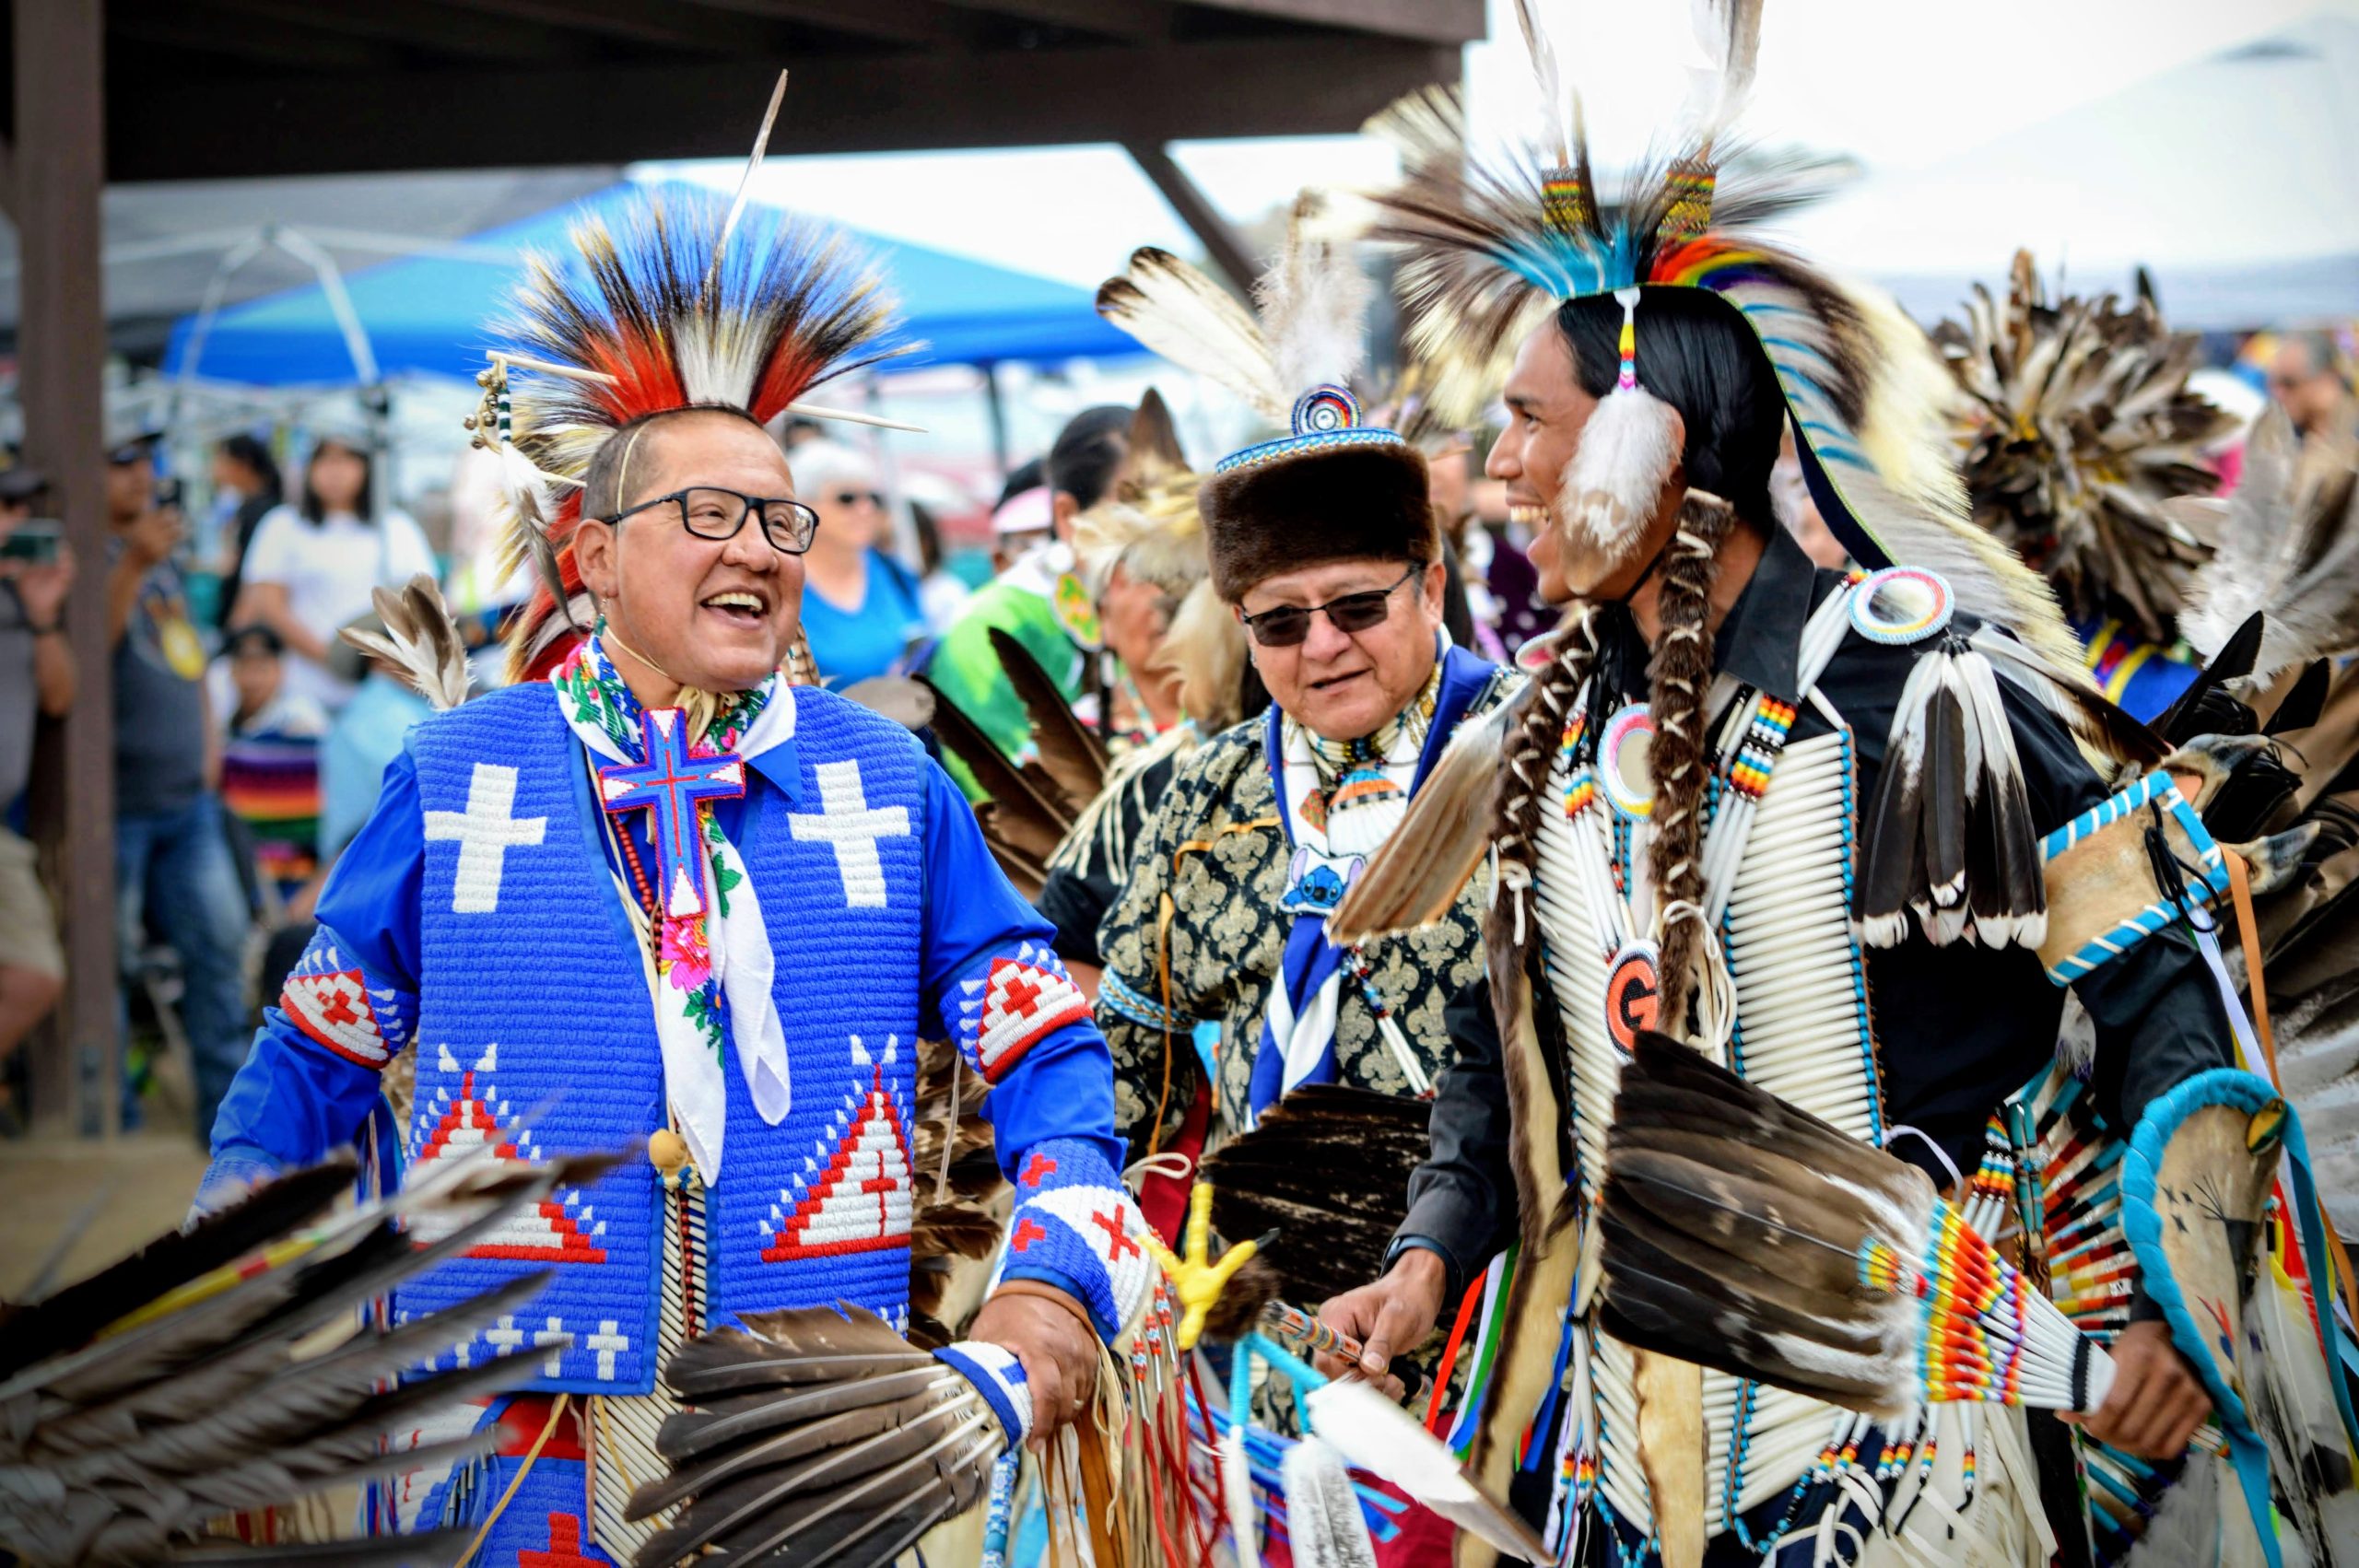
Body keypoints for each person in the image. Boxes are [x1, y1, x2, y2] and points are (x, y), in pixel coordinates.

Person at [1316, 32, 2303, 1563]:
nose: (1500, 463)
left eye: (1531, 419)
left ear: (1649, 438)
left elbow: (2148, 961)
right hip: (1628, 1463)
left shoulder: (1913, 691)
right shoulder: (1539, 732)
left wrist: (2183, 1303)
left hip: (1905, 1451)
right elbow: (1498, 1059)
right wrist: (1434, 1252)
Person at [196, 191, 1149, 1564]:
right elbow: (311, 1052)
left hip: (806, 1409)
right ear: (593, 557)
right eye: (711, 513)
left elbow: (1045, 1039)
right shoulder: (463, 771)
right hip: (501, 1414)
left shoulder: (882, 784)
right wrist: (230, 1252)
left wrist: (1059, 1263)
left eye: (781, 517)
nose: (759, 547)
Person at [1088, 226, 1513, 1204]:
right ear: (1239, 628)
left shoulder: (1536, 751)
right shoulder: (1207, 789)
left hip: (1498, 1298)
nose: (1321, 646)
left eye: (1357, 606)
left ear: (1432, 586)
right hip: (1266, 1308)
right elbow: (1128, 1048)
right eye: (1280, 622)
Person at [105, 433, 252, 1142]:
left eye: (145, 461)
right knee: (108, 963)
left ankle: (220, 1119)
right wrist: (131, 562)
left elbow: (188, 661)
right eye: (121, 463)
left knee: (218, 948)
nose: (140, 476)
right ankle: (110, 1121)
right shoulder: (94, 557)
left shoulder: (159, 564)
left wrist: (210, 746)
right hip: (114, 806)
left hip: (186, 798)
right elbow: (85, 652)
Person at [926, 408, 1128, 799]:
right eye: (1133, 501)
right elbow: (1001, 789)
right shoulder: (991, 623)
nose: (1157, 522)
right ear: (1067, 516)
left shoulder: (1184, 604)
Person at [232, 433, 434, 712]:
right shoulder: (283, 525)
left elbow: (422, 604)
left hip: (381, 695)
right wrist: (333, 658)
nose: (335, 470)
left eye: (347, 458)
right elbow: (268, 603)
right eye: (325, 458)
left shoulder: (395, 527)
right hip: (301, 694)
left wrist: (373, 661)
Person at [0, 468, 73, 1082]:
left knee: (36, 975)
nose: (15, 520)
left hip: (4, 826)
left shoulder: (25, 601)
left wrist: (42, 614)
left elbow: (60, 696)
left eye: (22, 507)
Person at [783, 439, 926, 685]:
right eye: (847, 498)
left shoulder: (895, 572)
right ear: (803, 506)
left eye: (872, 497)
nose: (866, 508)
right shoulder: (781, 582)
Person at [213, 622, 328, 908]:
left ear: (280, 670)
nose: (253, 679)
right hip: (243, 857)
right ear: (232, 672)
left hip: (296, 863)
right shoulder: (224, 725)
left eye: (262, 668)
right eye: (245, 667)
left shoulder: (302, 720)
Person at [208, 431, 283, 622]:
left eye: (223, 461)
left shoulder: (263, 512)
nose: (215, 468)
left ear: (243, 464)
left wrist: (238, 630)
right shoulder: (249, 507)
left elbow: (255, 578)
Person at [2268, 328, 2353, 441]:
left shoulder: (2353, 431)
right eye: (2273, 385)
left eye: (2289, 383)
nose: (2278, 394)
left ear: (2326, 380)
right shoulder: (2282, 438)